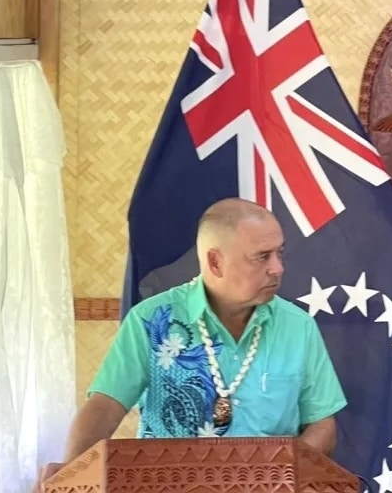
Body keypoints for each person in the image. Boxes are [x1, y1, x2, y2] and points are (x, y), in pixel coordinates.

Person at [37, 198, 346, 485]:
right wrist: (71, 471)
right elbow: (105, 406)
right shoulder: (150, 320)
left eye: (279, 252)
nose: (278, 268)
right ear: (214, 262)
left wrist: (277, 479)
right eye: (262, 257)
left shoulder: (298, 326)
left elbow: (322, 425)